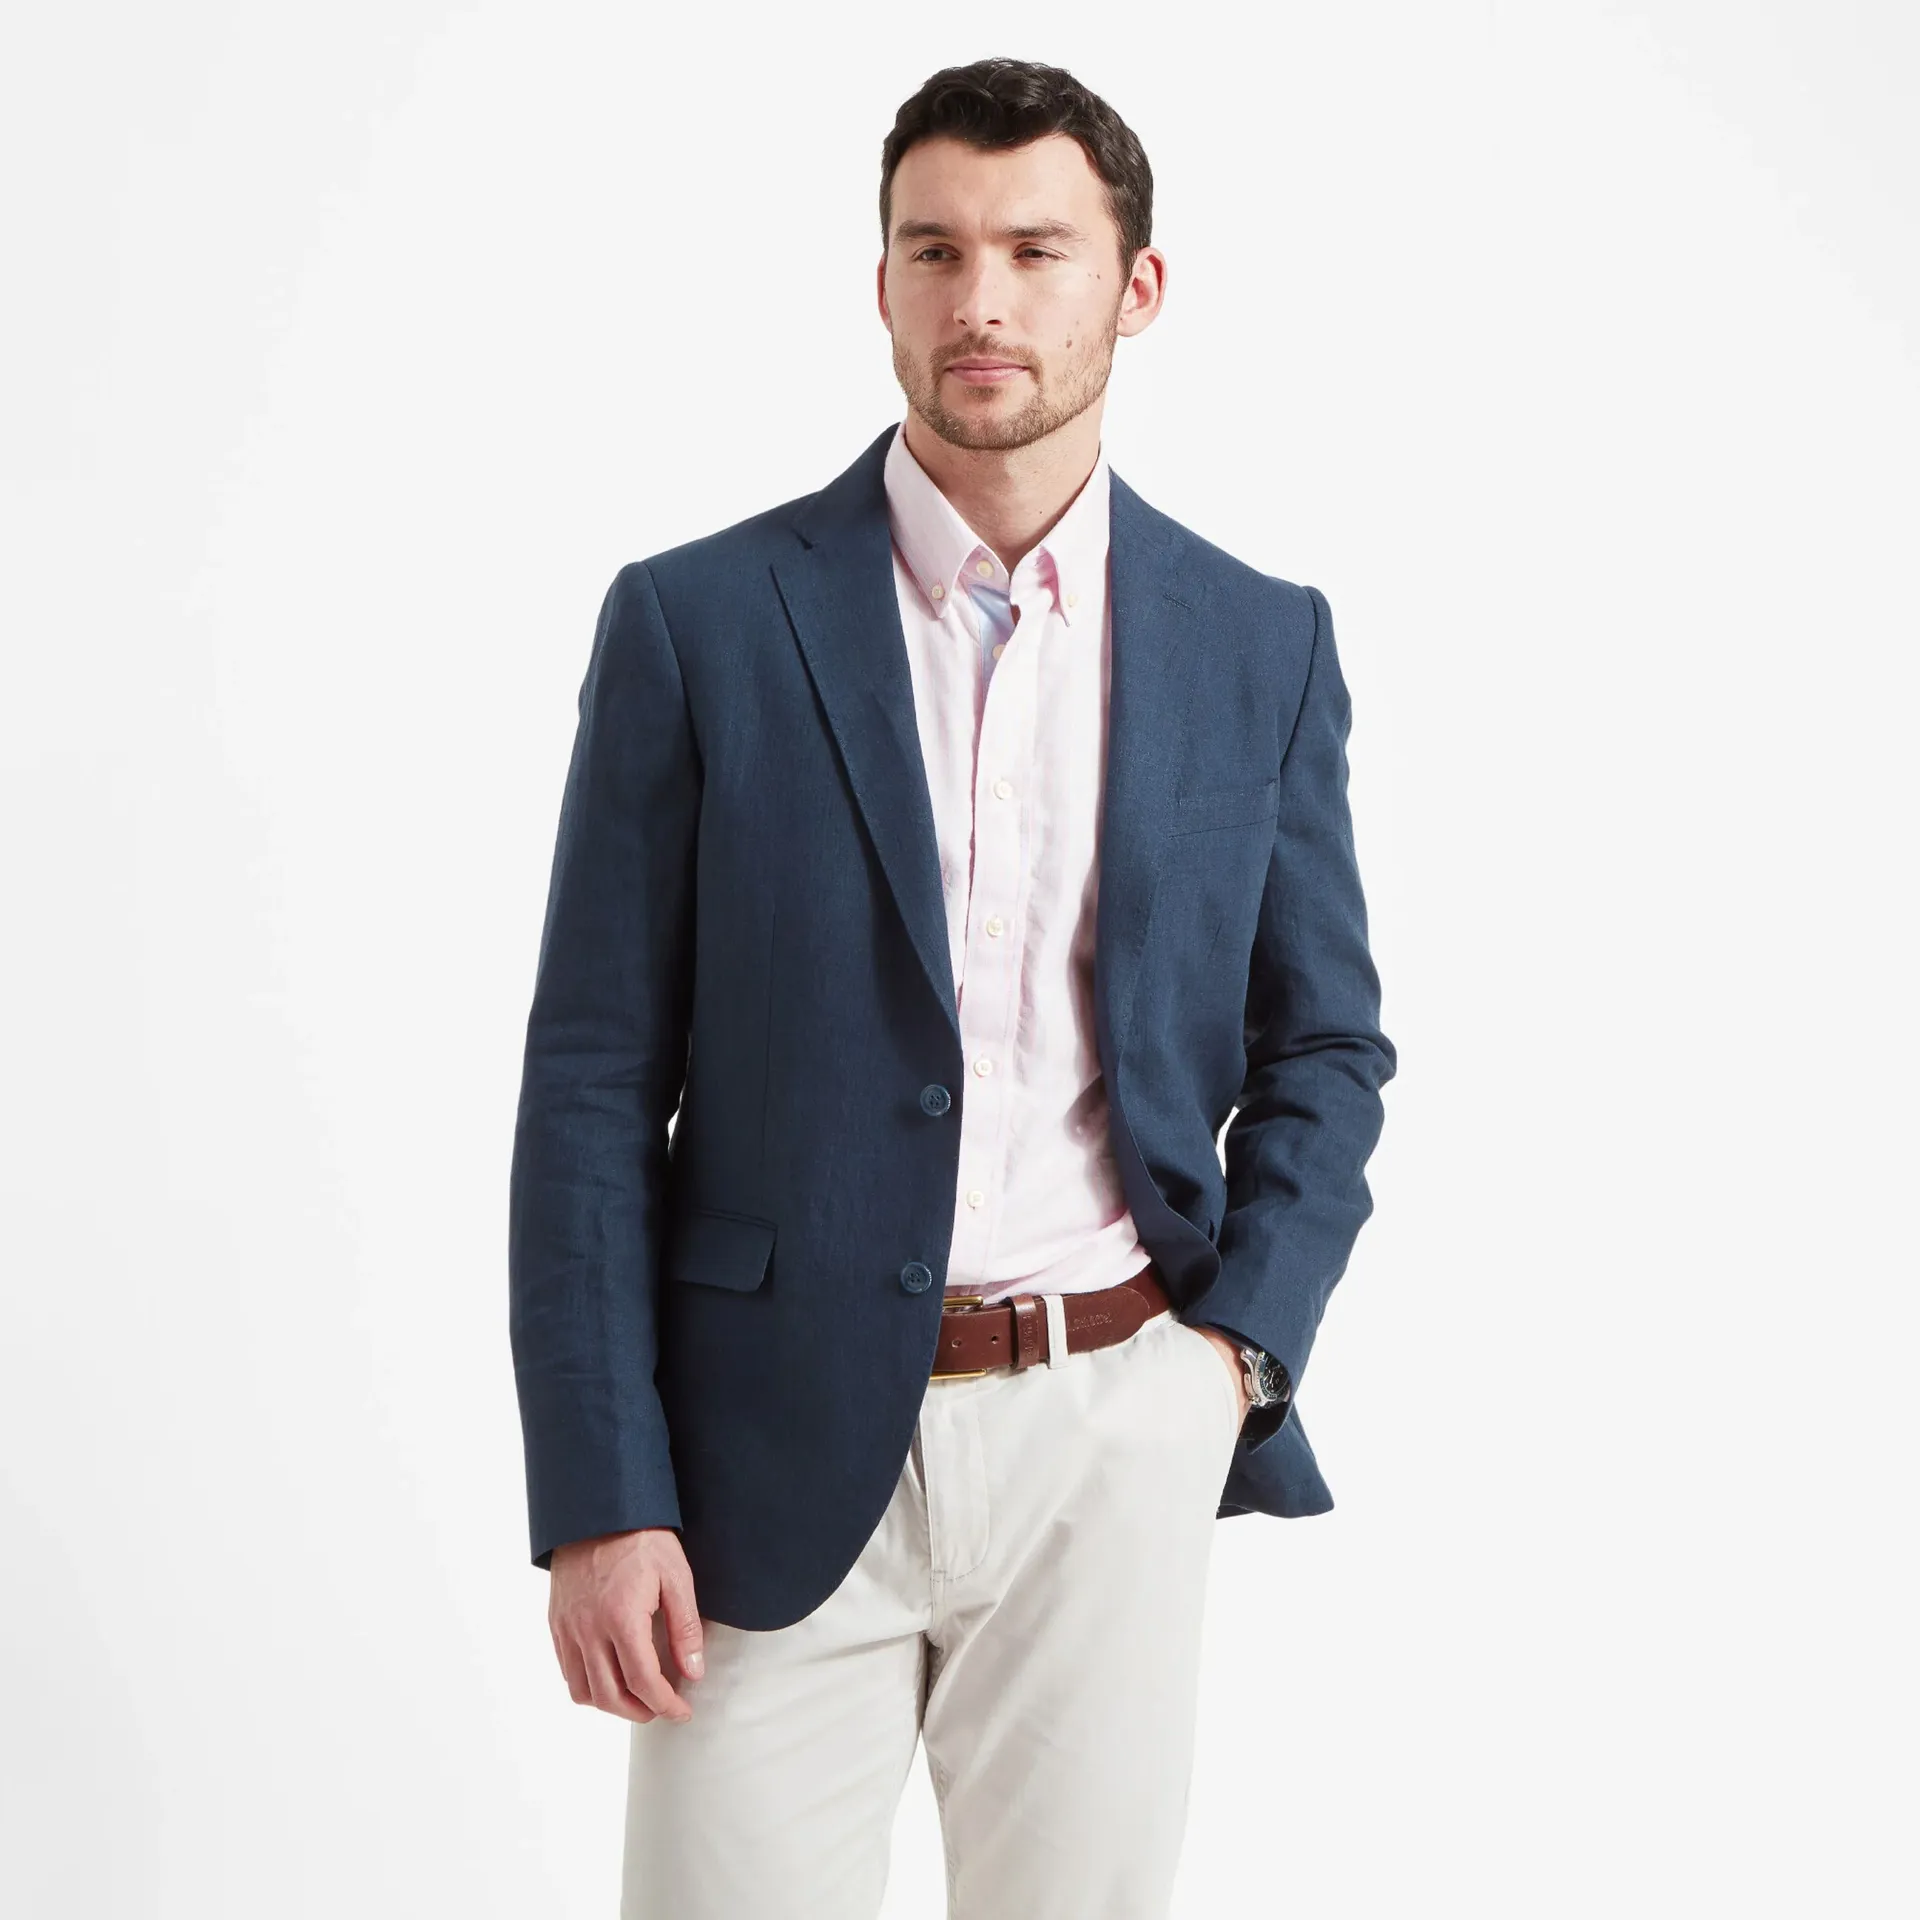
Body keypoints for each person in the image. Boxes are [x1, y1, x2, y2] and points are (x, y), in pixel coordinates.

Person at [508, 54, 1396, 1920]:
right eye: (936, 250)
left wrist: (1230, 1363)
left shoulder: (1259, 641)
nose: (981, 299)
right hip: (758, 1453)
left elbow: (1323, 1041)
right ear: (884, 282)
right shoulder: (699, 621)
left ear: (1135, 287)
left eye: (1035, 250)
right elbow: (592, 1080)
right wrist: (601, 1489)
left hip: (1109, 1430)